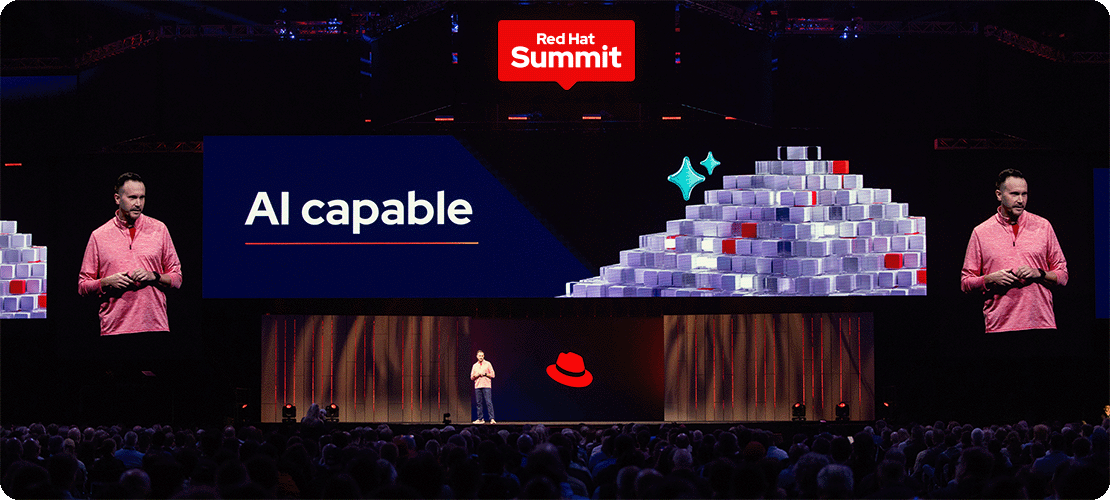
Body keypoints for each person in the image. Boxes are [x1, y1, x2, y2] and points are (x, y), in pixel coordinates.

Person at [960, 169, 1068, 333]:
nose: (1020, 200)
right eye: (1014, 194)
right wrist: (990, 279)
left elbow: (1063, 276)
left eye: (1024, 194)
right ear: (999, 194)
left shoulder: (1043, 226)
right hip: (999, 327)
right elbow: (965, 283)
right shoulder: (981, 232)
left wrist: (1040, 273)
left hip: (1041, 325)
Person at [79, 172, 183, 335]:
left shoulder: (159, 229)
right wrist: (106, 282)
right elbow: (82, 286)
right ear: (117, 199)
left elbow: (177, 279)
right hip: (114, 329)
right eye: (132, 197)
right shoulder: (99, 235)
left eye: (142, 198)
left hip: (155, 327)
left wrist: (154, 276)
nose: (138, 203)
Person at [470, 350, 496, 424]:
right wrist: (477, 375)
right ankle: (480, 419)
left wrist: (485, 374)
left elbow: (493, 375)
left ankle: (492, 419)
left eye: (482, 356)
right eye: (479, 356)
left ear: (483, 356)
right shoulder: (475, 366)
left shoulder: (488, 364)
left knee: (488, 402)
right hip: (478, 386)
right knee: (479, 403)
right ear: (477, 356)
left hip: (486, 386)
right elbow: (471, 377)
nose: (481, 357)